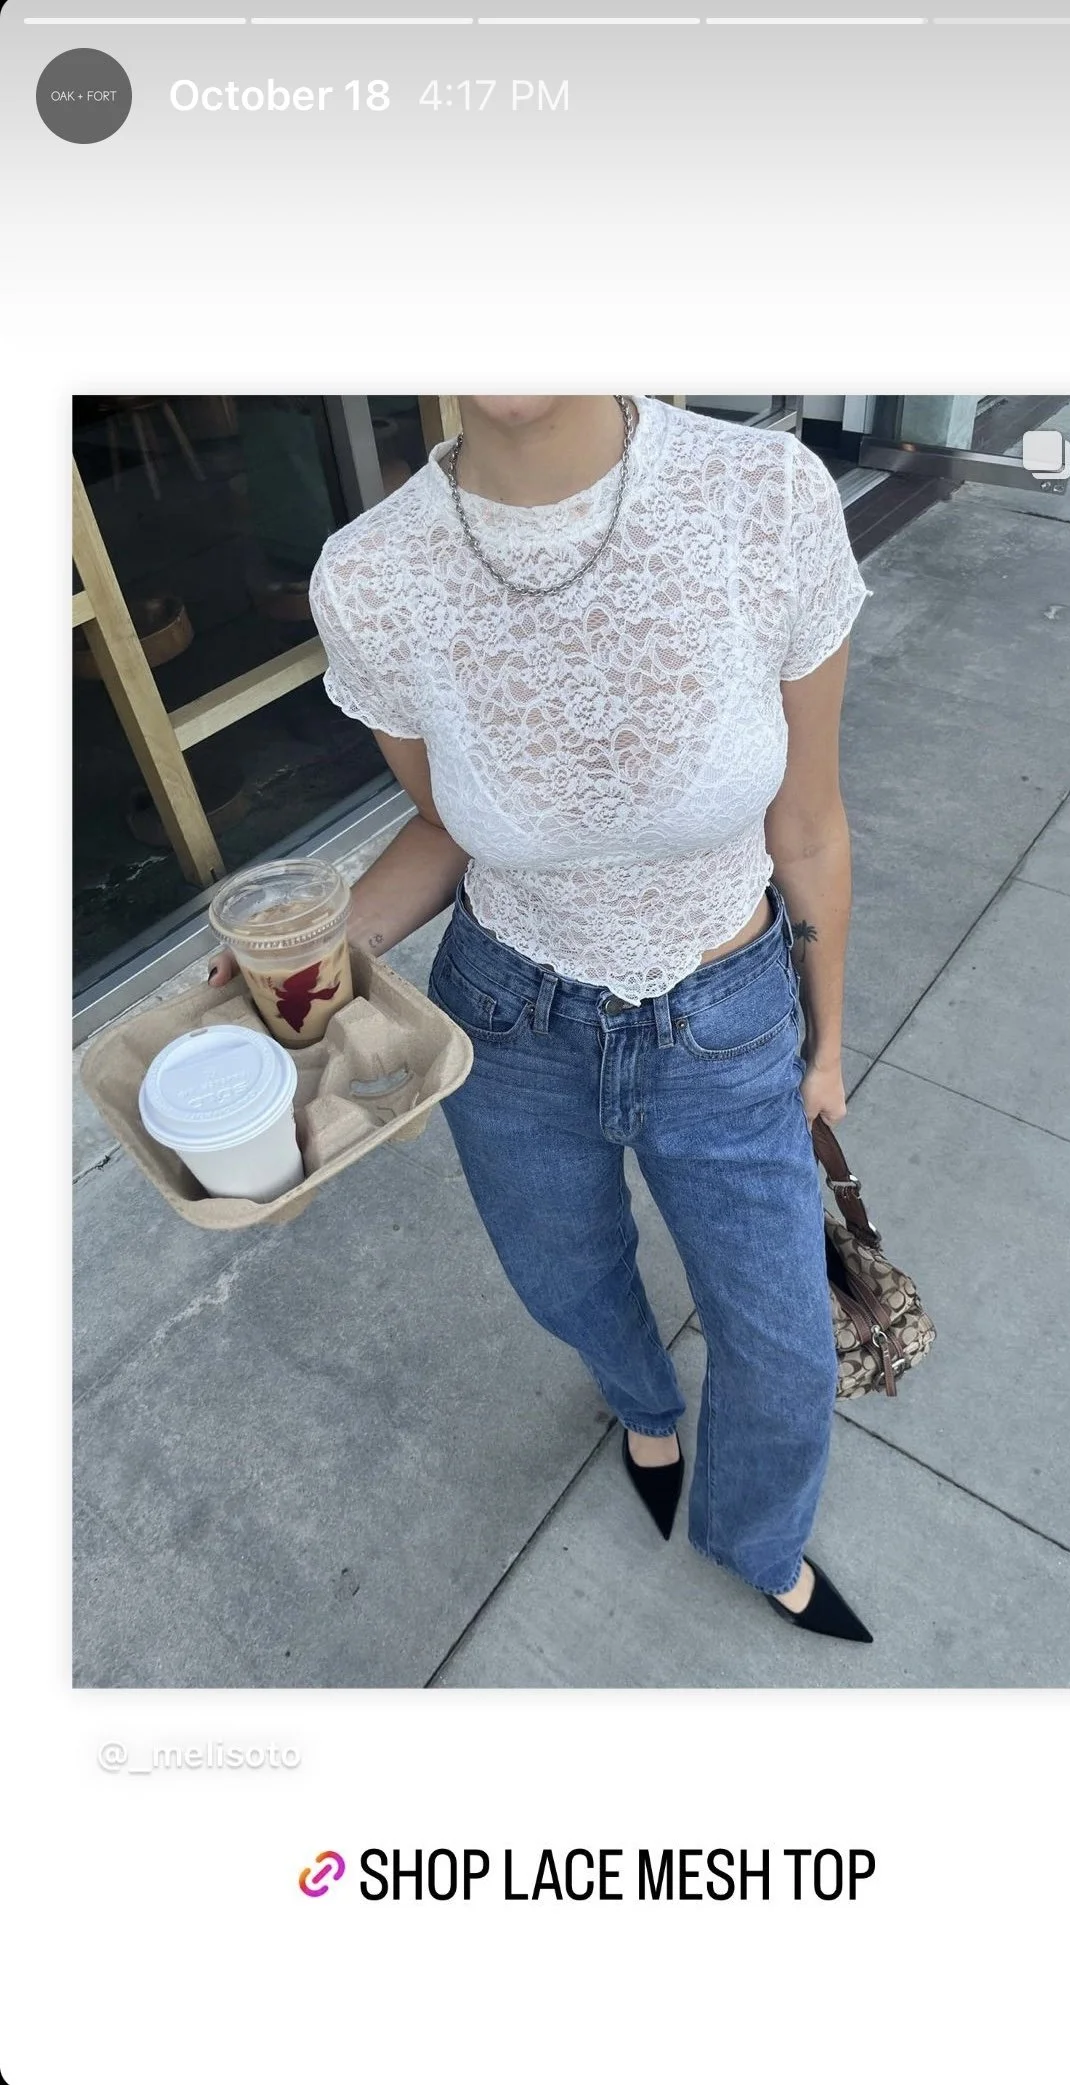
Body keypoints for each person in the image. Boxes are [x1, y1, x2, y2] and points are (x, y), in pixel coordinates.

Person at [210, 395, 872, 1645]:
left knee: (783, 1340)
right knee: (564, 1275)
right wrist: (310, 959)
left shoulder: (766, 496)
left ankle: (759, 1534)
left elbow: (811, 822)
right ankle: (643, 1407)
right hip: (509, 1020)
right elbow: (450, 825)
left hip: (725, 1014)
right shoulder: (370, 574)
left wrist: (826, 1045)